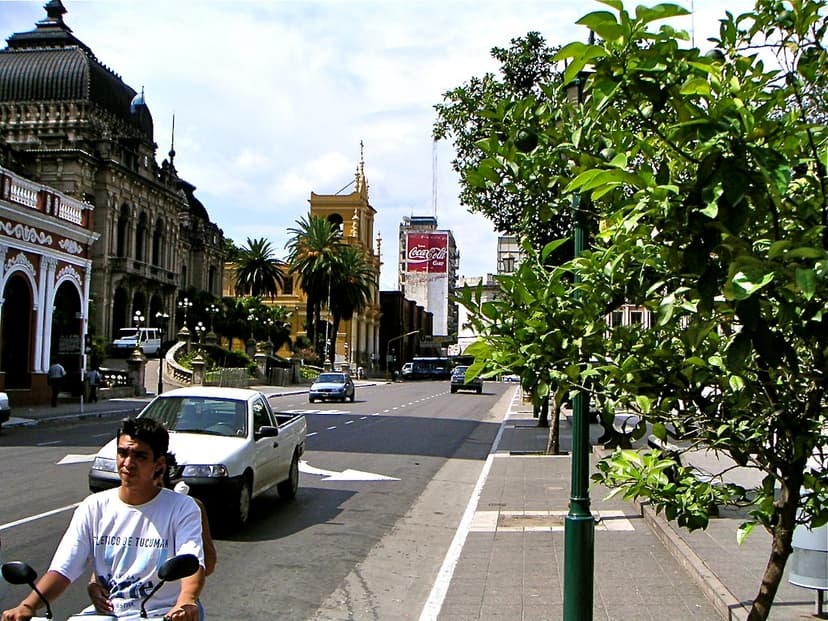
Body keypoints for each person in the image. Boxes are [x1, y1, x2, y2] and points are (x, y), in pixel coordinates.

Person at [2, 417, 205, 621]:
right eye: (123, 453)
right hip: (106, 615)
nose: (128, 463)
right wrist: (28, 605)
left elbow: (192, 562)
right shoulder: (93, 507)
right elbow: (64, 568)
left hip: (160, 614)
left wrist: (185, 601)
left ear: (159, 463)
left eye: (140, 456)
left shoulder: (182, 508)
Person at [87, 452, 215, 619]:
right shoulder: (120, 509)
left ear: (159, 471)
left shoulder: (186, 508)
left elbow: (206, 564)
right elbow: (112, 558)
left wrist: (186, 598)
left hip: (170, 609)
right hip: (122, 609)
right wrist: (94, 585)